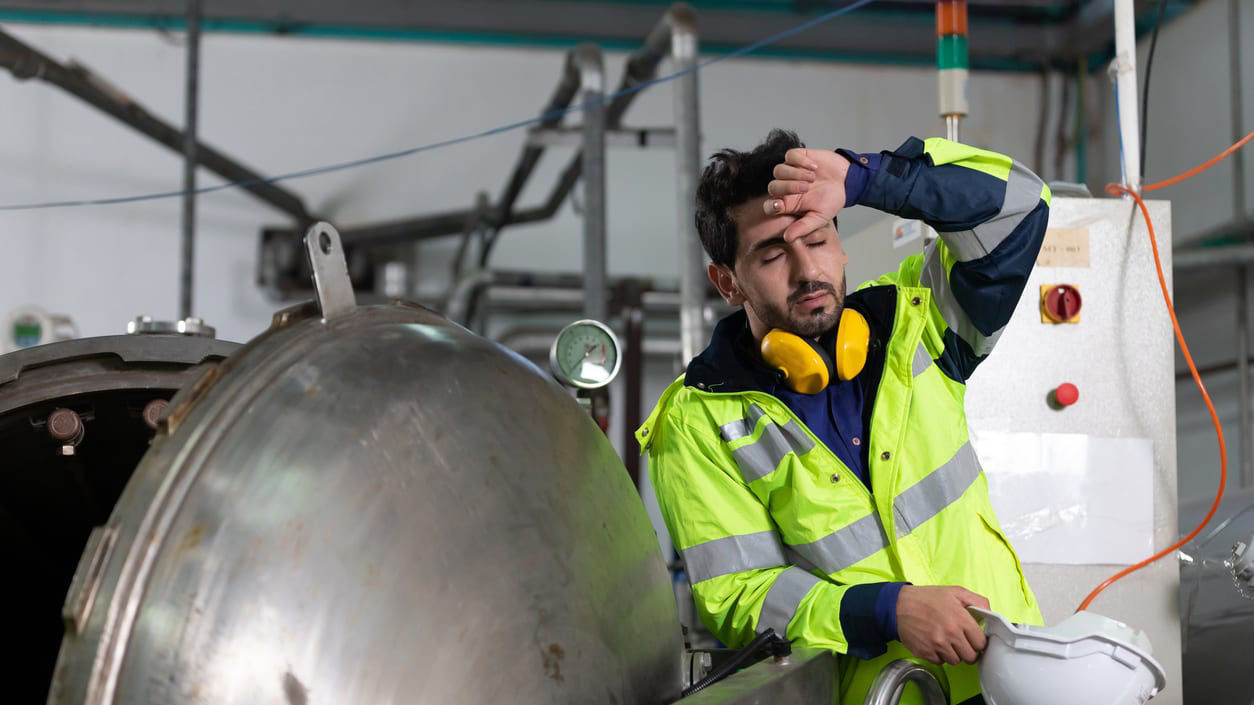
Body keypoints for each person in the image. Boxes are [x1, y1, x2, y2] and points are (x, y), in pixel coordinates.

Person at [635, 130, 1050, 705]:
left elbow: (1019, 206)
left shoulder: (917, 322)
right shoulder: (697, 421)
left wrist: (867, 179)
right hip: (884, 695)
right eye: (773, 254)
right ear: (727, 282)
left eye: (817, 238)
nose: (808, 270)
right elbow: (739, 595)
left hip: (1015, 682)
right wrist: (886, 610)